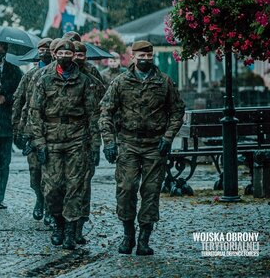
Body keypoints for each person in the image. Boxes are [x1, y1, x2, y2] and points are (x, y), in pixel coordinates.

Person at [99, 40, 185, 256]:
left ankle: (144, 238)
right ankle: (128, 234)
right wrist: (109, 142)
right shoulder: (120, 82)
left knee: (151, 191)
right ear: (133, 56)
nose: (145, 60)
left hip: (155, 145)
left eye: (149, 56)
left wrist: (168, 137)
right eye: (141, 56)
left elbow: (177, 111)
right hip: (128, 143)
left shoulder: (164, 82)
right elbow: (106, 113)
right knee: (126, 188)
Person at [27, 39, 97, 250]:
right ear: (55, 55)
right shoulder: (44, 80)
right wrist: (38, 142)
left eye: (69, 53)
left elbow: (93, 115)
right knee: (53, 188)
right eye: (61, 53)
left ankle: (69, 231)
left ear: (73, 56)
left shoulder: (85, 81)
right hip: (51, 141)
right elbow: (34, 112)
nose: (65, 56)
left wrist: (95, 146)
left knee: (75, 187)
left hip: (77, 140)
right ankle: (57, 223)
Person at [12, 37, 52, 221]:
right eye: (41, 48)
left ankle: (52, 210)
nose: (45, 51)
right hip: (32, 131)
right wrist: (18, 131)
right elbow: (19, 103)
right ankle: (40, 199)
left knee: (53, 175)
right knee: (35, 171)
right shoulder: (29, 76)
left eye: (48, 48)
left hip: (54, 132)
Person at [72, 41, 106, 244]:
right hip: (60, 137)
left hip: (85, 137)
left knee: (82, 185)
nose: (77, 58)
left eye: (80, 54)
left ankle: (78, 225)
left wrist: (97, 145)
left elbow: (101, 105)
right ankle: (62, 221)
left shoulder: (92, 74)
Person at [0, 41, 23, 209]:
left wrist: (6, 98)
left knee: (4, 164)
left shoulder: (15, 71)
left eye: (0, 48)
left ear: (5, 51)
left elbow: (21, 94)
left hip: (6, 125)